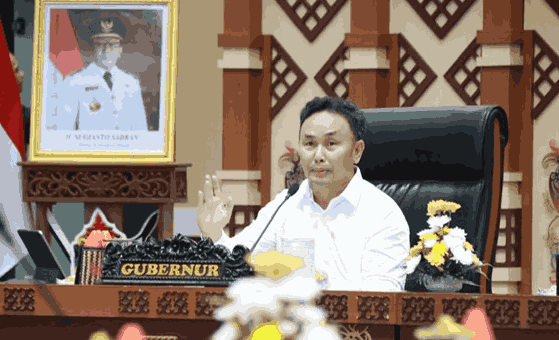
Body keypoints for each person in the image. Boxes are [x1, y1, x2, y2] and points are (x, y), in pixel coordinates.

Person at [197, 97, 411, 292]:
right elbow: (239, 262)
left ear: (356, 151)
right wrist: (213, 234)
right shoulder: (286, 203)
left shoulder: (383, 213)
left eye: (331, 144)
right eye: (309, 144)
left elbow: (384, 297)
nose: (318, 156)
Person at [57, 20, 147, 131]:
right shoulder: (74, 82)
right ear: (93, 50)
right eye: (101, 45)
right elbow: (64, 129)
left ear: (120, 51)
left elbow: (140, 128)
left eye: (112, 45)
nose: (106, 51)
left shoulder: (131, 82)